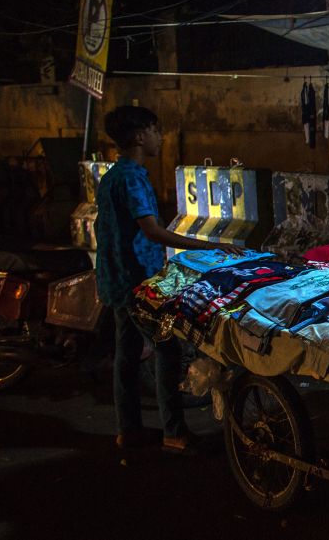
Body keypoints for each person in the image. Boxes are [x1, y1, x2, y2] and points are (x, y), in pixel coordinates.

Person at [94, 106, 244, 453]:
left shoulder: (115, 176)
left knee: (127, 354)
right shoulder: (131, 177)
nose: (160, 137)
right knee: (167, 349)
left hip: (119, 279)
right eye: (155, 130)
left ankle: (128, 430)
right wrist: (209, 246)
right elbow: (153, 231)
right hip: (139, 282)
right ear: (139, 137)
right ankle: (174, 432)